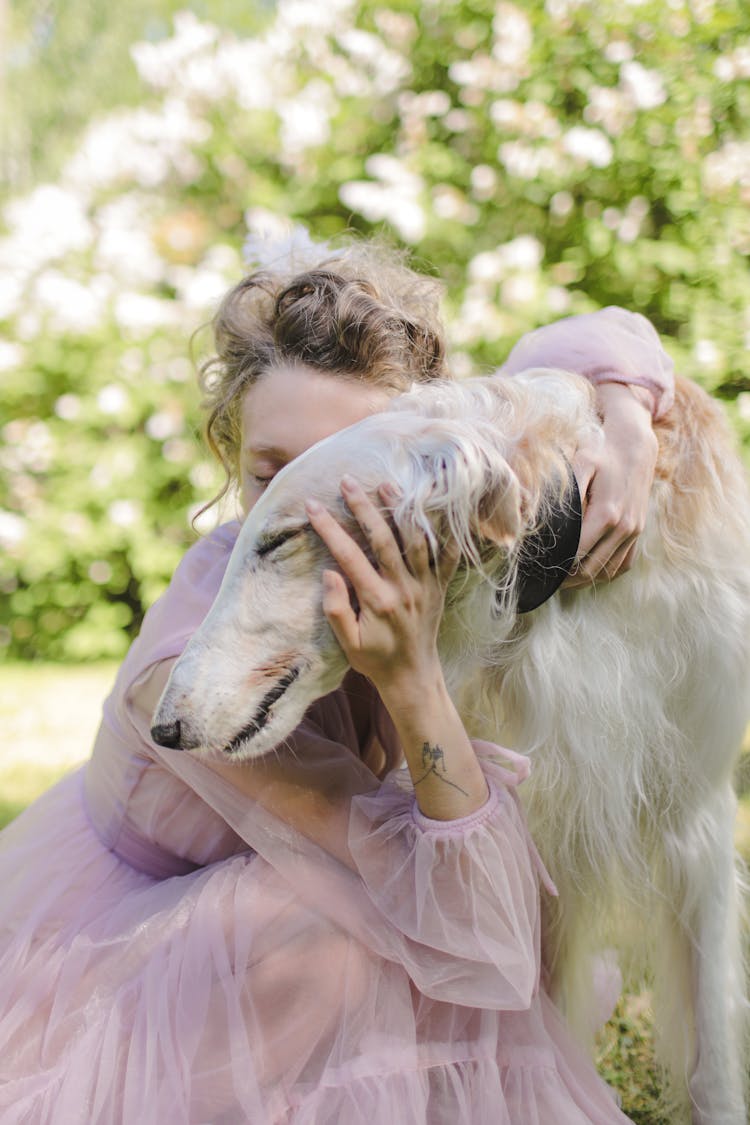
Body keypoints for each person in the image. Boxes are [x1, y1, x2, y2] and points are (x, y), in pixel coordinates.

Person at [0, 241, 674, 1124]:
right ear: (229, 446)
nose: (317, 517)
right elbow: (474, 924)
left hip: (321, 876)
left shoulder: (431, 502)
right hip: (171, 934)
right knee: (358, 942)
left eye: (347, 471)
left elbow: (603, 336)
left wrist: (623, 426)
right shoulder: (194, 679)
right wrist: (413, 681)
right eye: (275, 476)